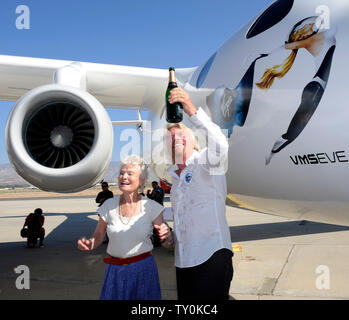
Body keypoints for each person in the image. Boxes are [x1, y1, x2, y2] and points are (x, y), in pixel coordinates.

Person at [164, 87, 233, 300]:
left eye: (181, 136)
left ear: (194, 141)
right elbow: (182, 213)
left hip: (211, 255)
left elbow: (221, 144)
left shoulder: (207, 162)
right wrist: (168, 234)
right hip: (183, 260)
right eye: (170, 138)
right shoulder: (175, 178)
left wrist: (191, 110)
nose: (175, 140)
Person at [77, 155, 173, 300]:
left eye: (130, 173)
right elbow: (98, 235)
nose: (124, 176)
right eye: (121, 173)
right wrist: (90, 244)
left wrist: (168, 238)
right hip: (115, 271)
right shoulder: (108, 205)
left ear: (141, 180)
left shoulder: (152, 207)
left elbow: (166, 243)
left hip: (143, 271)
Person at [258, 17, 336, 164]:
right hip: (315, 89)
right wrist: (267, 54)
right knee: (292, 133)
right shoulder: (313, 40)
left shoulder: (319, 37)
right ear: (301, 34)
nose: (310, 26)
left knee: (292, 133)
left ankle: (271, 155)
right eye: (304, 28)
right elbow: (288, 46)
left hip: (315, 87)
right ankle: (270, 156)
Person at [147, 181, 165, 247]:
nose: (153, 186)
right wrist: (148, 193)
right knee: (154, 223)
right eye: (152, 185)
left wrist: (155, 194)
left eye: (154, 185)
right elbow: (151, 198)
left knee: (159, 223)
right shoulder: (154, 190)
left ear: (157, 184)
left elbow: (159, 198)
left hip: (159, 207)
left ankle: (160, 239)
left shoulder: (160, 189)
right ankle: (156, 240)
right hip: (154, 208)